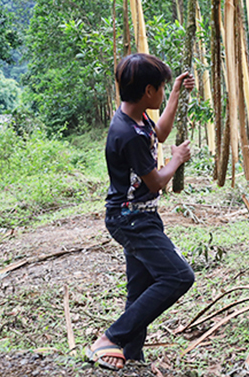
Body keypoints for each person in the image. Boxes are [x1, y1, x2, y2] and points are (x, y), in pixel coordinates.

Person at [85, 54, 196, 370]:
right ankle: (111, 339)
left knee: (140, 290)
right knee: (178, 276)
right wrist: (176, 159)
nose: (161, 93)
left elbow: (159, 133)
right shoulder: (127, 134)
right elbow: (156, 182)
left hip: (140, 216)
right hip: (131, 219)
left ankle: (132, 357)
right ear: (148, 91)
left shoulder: (135, 118)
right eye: (161, 88)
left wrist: (174, 92)